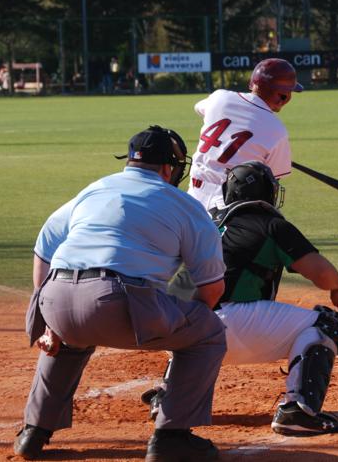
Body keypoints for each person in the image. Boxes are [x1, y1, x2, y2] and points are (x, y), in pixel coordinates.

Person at [14, 125, 227, 461]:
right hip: (118, 300)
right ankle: (171, 436)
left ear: (130, 161)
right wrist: (182, 321)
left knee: (68, 341)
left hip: (55, 296)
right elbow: (211, 288)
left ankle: (33, 431)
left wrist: (49, 321)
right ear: (168, 168)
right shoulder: (185, 205)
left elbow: (45, 245)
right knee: (209, 332)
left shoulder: (94, 189)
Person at [147, 161, 338, 436]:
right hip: (228, 326)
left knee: (196, 313)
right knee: (328, 323)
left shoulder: (207, 222)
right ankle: (299, 411)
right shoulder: (271, 225)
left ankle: (170, 397)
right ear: (268, 192)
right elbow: (322, 274)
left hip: (175, 326)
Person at [187, 58, 302, 211]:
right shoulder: (277, 130)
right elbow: (270, 180)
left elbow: (199, 108)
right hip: (230, 204)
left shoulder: (219, 97)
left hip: (191, 198)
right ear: (284, 97)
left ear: (252, 83)